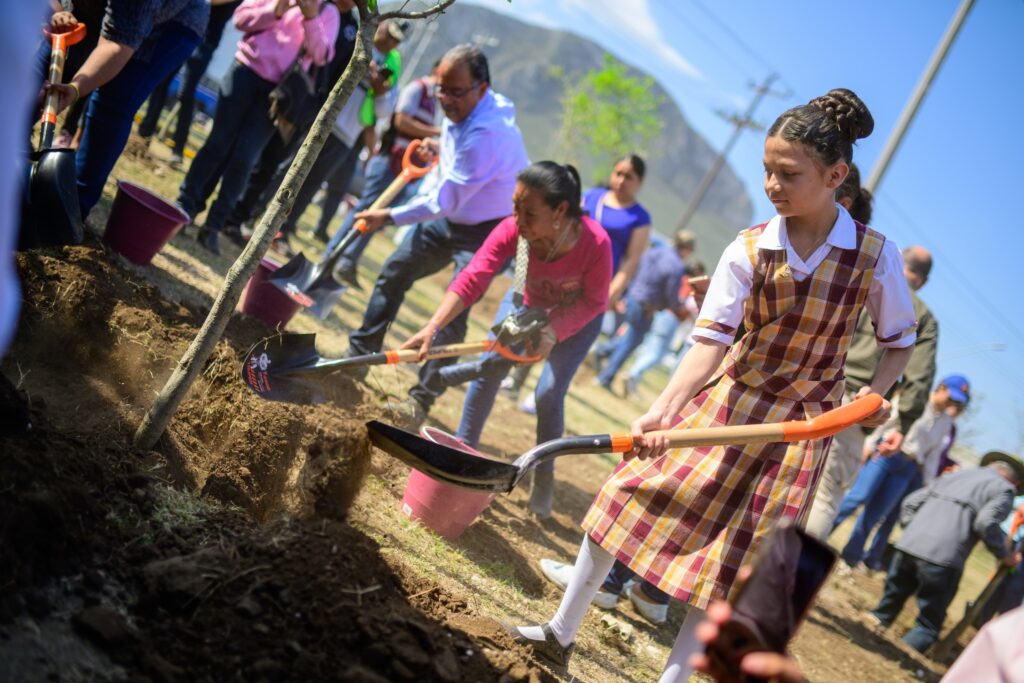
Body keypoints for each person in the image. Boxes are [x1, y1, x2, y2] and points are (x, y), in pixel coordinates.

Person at [504, 88, 918, 679]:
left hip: (800, 431)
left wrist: (874, 395)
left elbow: (898, 341)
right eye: (767, 171)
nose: (773, 185)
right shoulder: (749, 247)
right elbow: (709, 340)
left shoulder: (874, 256)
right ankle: (559, 632)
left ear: (836, 175)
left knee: (736, 562)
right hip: (730, 399)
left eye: (789, 173)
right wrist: (664, 409)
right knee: (628, 494)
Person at [402, 162, 611, 518]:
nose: (517, 218)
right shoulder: (513, 230)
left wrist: (553, 330)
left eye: (528, 211)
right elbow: (474, 275)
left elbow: (594, 301)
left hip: (579, 319)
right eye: (515, 206)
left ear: (560, 211)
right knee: (489, 372)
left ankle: (543, 476)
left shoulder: (596, 244)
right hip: (525, 306)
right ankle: (462, 457)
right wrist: (433, 326)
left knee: (547, 394)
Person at [344, 44, 529, 426]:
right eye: (441, 89)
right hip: (452, 214)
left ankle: (420, 398)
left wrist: (388, 216)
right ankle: (357, 356)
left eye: (455, 91)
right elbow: (451, 167)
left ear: (482, 88)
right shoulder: (464, 110)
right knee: (395, 271)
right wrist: (441, 147)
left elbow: (445, 199)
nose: (445, 99)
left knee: (453, 314)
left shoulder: (488, 135)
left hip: (484, 229)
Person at [175, 0, 341, 256]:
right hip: (244, 72)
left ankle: (213, 226)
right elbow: (241, 19)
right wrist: (276, 9)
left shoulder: (327, 12)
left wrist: (310, 18)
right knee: (217, 144)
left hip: (278, 94)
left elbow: (321, 55)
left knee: (244, 159)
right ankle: (185, 207)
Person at [803, 243, 939, 540]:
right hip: (855, 406)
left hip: (810, 386)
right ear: (924, 282)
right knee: (825, 495)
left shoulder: (864, 278)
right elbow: (919, 376)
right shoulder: (923, 316)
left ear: (900, 262)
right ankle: (791, 575)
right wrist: (903, 425)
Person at [39, 0, 210, 217]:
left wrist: (75, 88)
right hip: (118, 17)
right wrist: (59, 11)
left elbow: (117, 43)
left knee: (115, 100)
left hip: (173, 23)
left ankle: (74, 205)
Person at [870, 452, 1024, 653]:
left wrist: (913, 529)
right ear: (1015, 481)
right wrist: (1005, 555)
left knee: (889, 602)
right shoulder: (1004, 489)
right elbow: (986, 522)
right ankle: (902, 656)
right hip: (943, 558)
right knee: (928, 625)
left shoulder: (955, 475)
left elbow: (911, 502)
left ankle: (873, 626)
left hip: (908, 546)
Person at [274, 19, 403, 244]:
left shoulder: (393, 64)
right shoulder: (360, 40)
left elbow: (384, 112)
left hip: (349, 134)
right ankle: (257, 209)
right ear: (380, 26)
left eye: (396, 40)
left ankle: (285, 229)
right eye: (388, 35)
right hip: (324, 119)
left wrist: (379, 89)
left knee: (313, 183)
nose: (390, 42)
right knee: (290, 168)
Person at [831, 375, 970, 570]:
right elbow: (887, 422)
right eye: (950, 396)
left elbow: (933, 454)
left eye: (956, 401)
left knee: (876, 513)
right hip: (887, 454)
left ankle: (851, 555)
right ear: (940, 387)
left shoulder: (946, 422)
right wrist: (869, 445)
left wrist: (928, 483)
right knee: (857, 497)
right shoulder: (915, 400)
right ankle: (823, 532)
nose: (951, 403)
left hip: (909, 466)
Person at [326, 61, 441, 285]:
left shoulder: (434, 102)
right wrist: (437, 131)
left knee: (377, 218)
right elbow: (401, 121)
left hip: (405, 171)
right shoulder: (417, 89)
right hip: (390, 160)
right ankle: (333, 255)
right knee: (365, 208)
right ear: (437, 71)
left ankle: (347, 261)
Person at [137, 0, 243, 166]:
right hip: (186, 26)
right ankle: (144, 135)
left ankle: (178, 149)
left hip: (205, 39)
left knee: (185, 93)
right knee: (162, 81)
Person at [593, 230, 695, 391]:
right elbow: (671, 294)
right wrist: (679, 307)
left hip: (633, 297)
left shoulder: (654, 251)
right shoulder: (676, 266)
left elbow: (636, 272)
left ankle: (603, 352)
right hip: (647, 307)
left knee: (630, 337)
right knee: (631, 342)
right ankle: (605, 376)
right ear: (686, 249)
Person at [623, 260, 706, 397]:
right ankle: (633, 374)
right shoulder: (688, 283)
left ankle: (633, 377)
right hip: (670, 319)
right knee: (656, 355)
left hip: (664, 316)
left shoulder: (681, 279)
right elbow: (682, 303)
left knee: (651, 350)